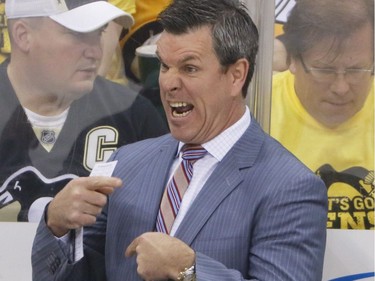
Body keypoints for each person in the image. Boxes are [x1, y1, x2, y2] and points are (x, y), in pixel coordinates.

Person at [32, 0, 327, 280]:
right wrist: (56, 225)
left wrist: (189, 270)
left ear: (236, 75)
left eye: (189, 68)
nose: (168, 83)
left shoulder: (291, 186)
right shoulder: (123, 164)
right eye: (164, 66)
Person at [0, 0, 168, 222]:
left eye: (98, 34)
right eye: (77, 35)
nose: (95, 52)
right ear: (23, 35)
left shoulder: (132, 113)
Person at [270, 0, 374, 229]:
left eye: (356, 70)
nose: (341, 87)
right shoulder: (258, 111)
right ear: (293, 61)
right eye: (325, 70)